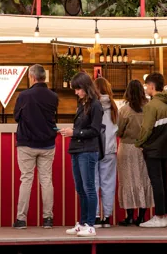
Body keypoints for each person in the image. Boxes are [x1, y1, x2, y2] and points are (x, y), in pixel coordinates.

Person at [12, 64, 58, 230]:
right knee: (46, 180)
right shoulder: (53, 96)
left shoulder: (24, 96)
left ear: (31, 77)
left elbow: (17, 117)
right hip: (47, 143)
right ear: (44, 77)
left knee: (26, 179)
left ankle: (21, 220)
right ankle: (48, 219)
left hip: (27, 144)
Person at [58, 72, 103, 237]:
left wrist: (74, 132)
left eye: (77, 89)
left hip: (88, 150)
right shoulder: (83, 103)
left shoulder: (96, 105)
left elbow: (95, 130)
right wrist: (73, 132)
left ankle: (91, 224)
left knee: (89, 187)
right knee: (80, 189)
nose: (76, 92)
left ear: (85, 87)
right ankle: (83, 222)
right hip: (77, 150)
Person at [135, 73, 167, 228]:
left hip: (152, 148)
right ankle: (164, 215)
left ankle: (159, 215)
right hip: (166, 147)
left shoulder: (151, 106)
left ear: (151, 86)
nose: (146, 88)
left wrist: (139, 143)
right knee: (164, 181)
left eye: (146, 85)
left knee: (156, 182)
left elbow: (146, 129)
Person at [116, 80, 154, 226]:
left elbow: (119, 131)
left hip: (127, 148)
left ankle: (129, 216)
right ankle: (142, 217)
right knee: (143, 180)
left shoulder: (125, 110)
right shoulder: (149, 108)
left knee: (128, 181)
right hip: (144, 148)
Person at [94, 77, 119, 228]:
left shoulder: (92, 105)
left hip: (94, 147)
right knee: (108, 183)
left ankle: (96, 216)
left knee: (94, 182)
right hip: (110, 149)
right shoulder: (115, 107)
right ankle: (107, 217)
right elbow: (119, 128)